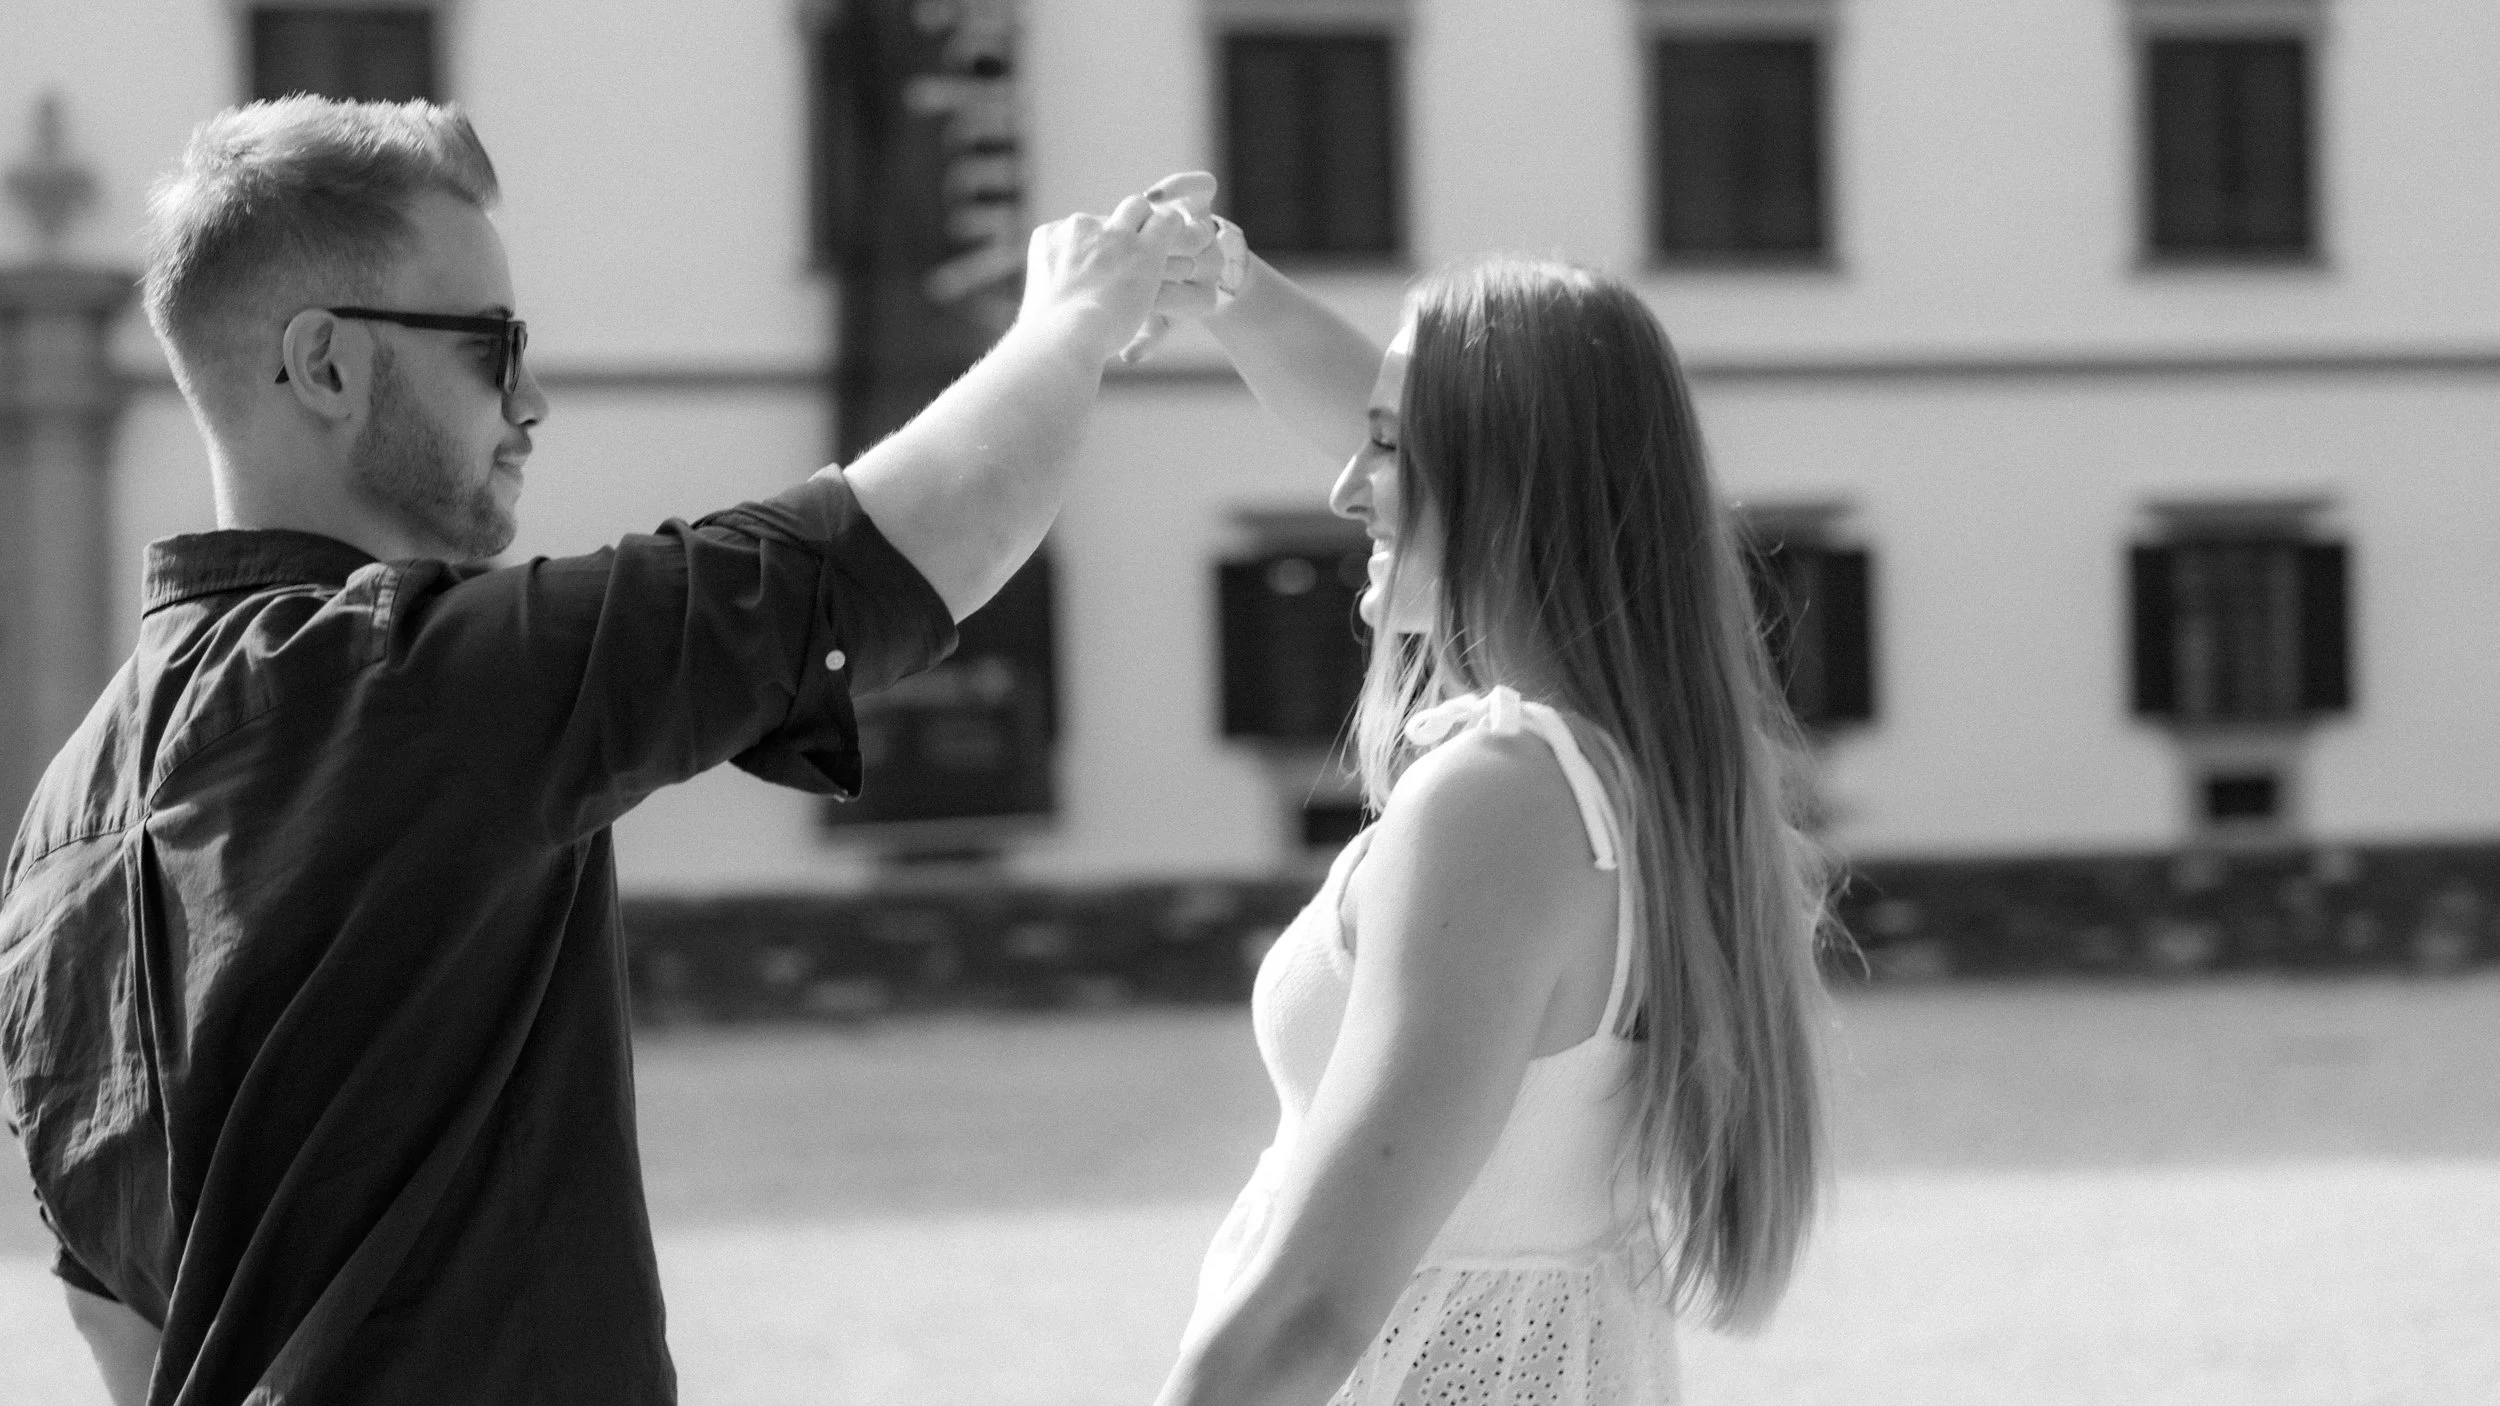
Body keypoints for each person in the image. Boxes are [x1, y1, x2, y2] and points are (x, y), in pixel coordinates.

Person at [0, 97, 1206, 1405]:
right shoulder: (411, 678)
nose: (532, 398)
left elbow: (119, 1330)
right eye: (490, 345)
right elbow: (897, 549)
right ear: (327, 365)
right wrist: (1079, 314)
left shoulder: (52, 824)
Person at [1134, 188, 1838, 1405]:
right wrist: (1235, 290)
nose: (1346, 488)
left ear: (1510, 484)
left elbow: (1311, 1309)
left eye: (1390, 449)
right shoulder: (1639, 781)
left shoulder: (1500, 798)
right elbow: (1469, 430)